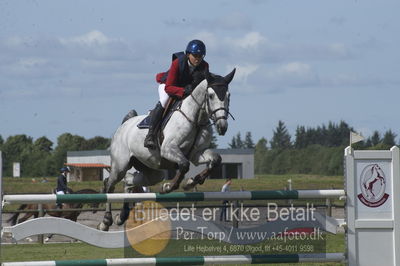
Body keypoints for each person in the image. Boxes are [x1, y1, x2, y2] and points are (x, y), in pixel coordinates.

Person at [144, 39, 209, 149]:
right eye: (195, 55)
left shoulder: (205, 66)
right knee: (164, 101)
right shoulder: (178, 63)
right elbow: (169, 88)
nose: (198, 59)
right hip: (168, 86)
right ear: (188, 54)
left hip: (186, 90)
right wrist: (183, 91)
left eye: (200, 56)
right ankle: (150, 135)